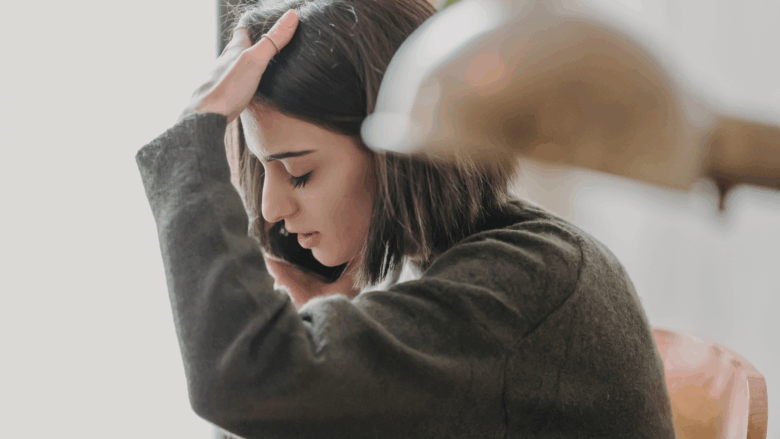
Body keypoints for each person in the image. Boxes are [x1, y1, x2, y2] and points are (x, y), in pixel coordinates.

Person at [135, 0, 675, 437]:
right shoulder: (466, 263)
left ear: (395, 155)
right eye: (265, 169)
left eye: (299, 172)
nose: (271, 211)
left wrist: (192, 137)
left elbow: (246, 378)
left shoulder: (531, 283)